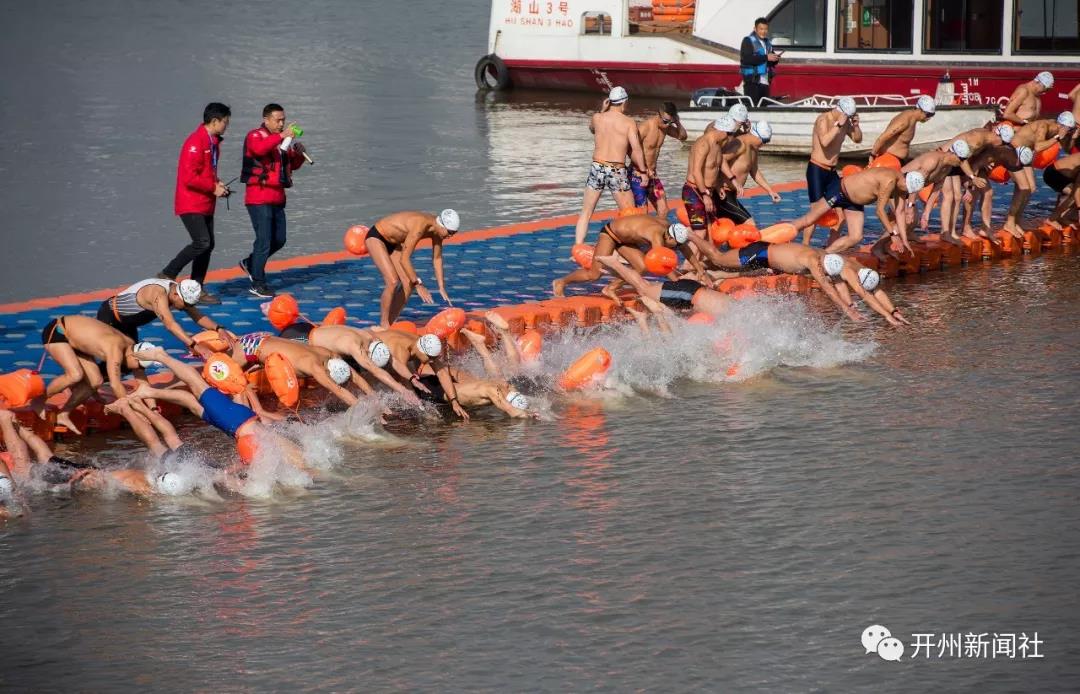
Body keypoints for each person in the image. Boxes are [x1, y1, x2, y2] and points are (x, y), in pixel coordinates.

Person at [113, 346, 307, 470]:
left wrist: (225, 472)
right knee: (196, 383)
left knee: (193, 404)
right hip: (235, 420)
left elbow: (245, 461)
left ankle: (149, 391)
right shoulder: (288, 459)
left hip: (234, 424)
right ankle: (161, 356)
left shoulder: (284, 456)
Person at [37, 315, 184, 457]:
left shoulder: (131, 346)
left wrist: (152, 410)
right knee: (75, 374)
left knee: (96, 381)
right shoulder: (116, 349)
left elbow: (142, 380)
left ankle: (64, 414)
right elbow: (115, 384)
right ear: (134, 356)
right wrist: (134, 411)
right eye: (139, 365)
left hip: (76, 341)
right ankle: (38, 400)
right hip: (58, 331)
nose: (137, 369)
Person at [160, 102, 231, 305]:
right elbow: (188, 178)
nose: (227, 126)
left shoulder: (212, 141)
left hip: (205, 202)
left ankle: (196, 289)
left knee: (208, 245)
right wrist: (212, 187)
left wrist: (218, 184)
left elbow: (205, 172)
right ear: (215, 121)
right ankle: (167, 274)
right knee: (202, 242)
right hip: (191, 202)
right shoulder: (196, 142)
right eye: (225, 122)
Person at [238, 103, 308, 298]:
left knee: (279, 239)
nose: (281, 123)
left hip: (277, 197)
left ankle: (251, 263)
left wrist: (298, 153)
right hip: (259, 197)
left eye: (283, 120)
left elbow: (290, 165)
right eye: (277, 120)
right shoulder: (255, 135)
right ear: (266, 119)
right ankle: (258, 282)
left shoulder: (280, 143)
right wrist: (282, 136)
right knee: (264, 240)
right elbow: (259, 150)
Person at [552, 218, 710, 299]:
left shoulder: (670, 230)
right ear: (669, 237)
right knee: (594, 274)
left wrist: (700, 270)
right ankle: (561, 282)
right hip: (611, 234)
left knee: (641, 267)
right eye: (673, 245)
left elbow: (685, 248)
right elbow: (660, 265)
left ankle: (610, 288)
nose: (674, 248)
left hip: (626, 240)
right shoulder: (657, 235)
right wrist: (677, 282)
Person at [573, 86, 650, 246]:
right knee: (629, 214)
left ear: (610, 102)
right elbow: (636, 150)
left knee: (586, 212)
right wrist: (643, 171)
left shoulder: (597, 117)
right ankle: (627, 250)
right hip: (616, 169)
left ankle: (577, 247)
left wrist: (602, 110)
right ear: (624, 102)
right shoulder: (629, 123)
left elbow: (592, 130)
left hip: (597, 166)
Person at [788, 167, 926, 255]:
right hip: (840, 191)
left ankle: (822, 256)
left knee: (856, 237)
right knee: (809, 219)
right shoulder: (890, 181)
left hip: (854, 202)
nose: (905, 193)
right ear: (906, 180)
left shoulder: (902, 187)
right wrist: (893, 235)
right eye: (906, 190)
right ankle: (776, 243)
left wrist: (904, 240)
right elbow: (880, 211)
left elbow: (900, 212)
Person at [278, 323, 422, 404]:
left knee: (348, 375)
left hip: (311, 330)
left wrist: (411, 379)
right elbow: (375, 371)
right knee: (327, 376)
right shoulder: (355, 347)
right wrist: (402, 390)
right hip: (299, 339)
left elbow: (394, 361)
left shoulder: (371, 337)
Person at [363, 210, 459, 328]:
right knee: (392, 281)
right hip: (377, 237)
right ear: (441, 224)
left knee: (408, 284)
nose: (450, 236)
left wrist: (441, 287)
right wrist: (419, 285)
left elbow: (437, 259)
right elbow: (404, 259)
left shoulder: (437, 231)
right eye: (449, 232)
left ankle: (390, 322)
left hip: (394, 243)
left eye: (454, 233)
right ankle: (384, 323)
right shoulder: (420, 226)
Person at [919, 122, 1014, 233]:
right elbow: (962, 159)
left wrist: (969, 185)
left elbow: (972, 161)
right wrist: (971, 179)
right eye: (1003, 142)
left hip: (957, 162)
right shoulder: (977, 140)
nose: (1002, 145)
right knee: (948, 195)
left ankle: (952, 232)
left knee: (958, 196)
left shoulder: (986, 139)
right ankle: (941, 229)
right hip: (947, 159)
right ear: (997, 135)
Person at [95, 277, 226, 352]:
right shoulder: (158, 294)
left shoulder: (178, 292)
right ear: (176, 295)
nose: (188, 308)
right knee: (110, 356)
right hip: (110, 316)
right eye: (187, 304)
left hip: (128, 324)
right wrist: (194, 345)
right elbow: (170, 324)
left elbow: (197, 316)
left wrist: (218, 329)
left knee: (131, 362)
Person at [231, 333, 360, 408]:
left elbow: (356, 377)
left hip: (263, 338)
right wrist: (362, 408)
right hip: (249, 347)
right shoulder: (316, 368)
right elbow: (338, 391)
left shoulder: (330, 354)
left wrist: (373, 399)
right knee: (229, 380)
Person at [799, 97, 863, 244]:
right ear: (839, 111)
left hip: (832, 172)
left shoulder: (845, 122)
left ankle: (830, 246)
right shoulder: (823, 119)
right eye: (847, 116)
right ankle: (805, 245)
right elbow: (825, 142)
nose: (847, 119)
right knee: (816, 213)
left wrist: (856, 126)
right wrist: (838, 124)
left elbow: (857, 139)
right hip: (817, 170)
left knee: (841, 213)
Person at [592, 254, 734, 318]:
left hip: (693, 291)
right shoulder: (731, 320)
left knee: (648, 288)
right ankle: (614, 263)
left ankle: (614, 270)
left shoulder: (736, 307)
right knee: (644, 288)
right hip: (687, 295)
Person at [1005, 113, 1076, 237]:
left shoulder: (1058, 130)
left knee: (1031, 188)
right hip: (1013, 152)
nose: (1068, 133)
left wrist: (1073, 136)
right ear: (1060, 125)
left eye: (1070, 131)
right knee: (1023, 188)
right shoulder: (1044, 126)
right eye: (1068, 130)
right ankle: (1009, 222)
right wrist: (1058, 137)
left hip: (1024, 155)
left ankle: (1017, 221)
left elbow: (1067, 149)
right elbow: (1038, 147)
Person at [372, 331, 469, 421]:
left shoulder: (423, 344)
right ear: (422, 350)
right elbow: (405, 382)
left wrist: (454, 402)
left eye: (433, 358)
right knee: (390, 380)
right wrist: (422, 410)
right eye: (430, 358)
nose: (431, 361)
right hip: (373, 350)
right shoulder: (402, 351)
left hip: (391, 344)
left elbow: (442, 373)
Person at [960, 144, 1033, 241]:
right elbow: (974, 166)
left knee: (988, 193)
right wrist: (968, 188)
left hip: (980, 168)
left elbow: (1025, 186)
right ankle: (966, 227)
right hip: (969, 166)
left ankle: (985, 228)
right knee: (972, 192)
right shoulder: (997, 154)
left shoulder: (1013, 158)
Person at [716, 121, 781, 225]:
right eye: (764, 140)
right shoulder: (739, 144)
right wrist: (723, 184)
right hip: (722, 194)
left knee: (730, 230)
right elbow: (719, 159)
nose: (764, 144)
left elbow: (754, 171)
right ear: (755, 135)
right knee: (750, 224)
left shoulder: (753, 149)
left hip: (732, 195)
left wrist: (770, 191)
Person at [682, 115, 740, 233]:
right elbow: (696, 171)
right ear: (723, 131)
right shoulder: (703, 144)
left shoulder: (717, 144)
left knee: (711, 231)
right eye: (730, 134)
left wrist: (723, 184)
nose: (730, 138)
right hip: (695, 191)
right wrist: (705, 194)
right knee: (701, 232)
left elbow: (718, 164)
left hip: (708, 191)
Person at [631, 102, 687, 216]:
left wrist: (677, 122)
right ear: (658, 114)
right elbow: (629, 149)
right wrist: (642, 170)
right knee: (642, 212)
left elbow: (682, 136)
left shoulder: (665, 128)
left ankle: (659, 233)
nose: (667, 125)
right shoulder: (645, 127)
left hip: (652, 175)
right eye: (665, 121)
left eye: (670, 122)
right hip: (638, 174)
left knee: (663, 210)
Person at [869, 96, 936, 164]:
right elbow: (884, 137)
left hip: (896, 160)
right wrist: (872, 155)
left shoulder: (913, 119)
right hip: (889, 159)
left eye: (932, 115)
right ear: (920, 110)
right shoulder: (905, 119)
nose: (928, 118)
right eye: (928, 115)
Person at [739, 17, 781, 105]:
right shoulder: (748, 41)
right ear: (755, 29)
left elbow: (770, 60)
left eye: (765, 29)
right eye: (761, 29)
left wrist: (775, 59)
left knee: (763, 108)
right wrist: (766, 57)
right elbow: (746, 59)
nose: (763, 31)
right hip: (752, 82)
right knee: (753, 107)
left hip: (765, 82)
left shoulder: (767, 43)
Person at [1043, 151, 1080, 228]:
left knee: (1074, 195)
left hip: (1066, 177)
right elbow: (1077, 191)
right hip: (1053, 174)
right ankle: (1051, 219)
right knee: (1074, 197)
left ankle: (1061, 217)